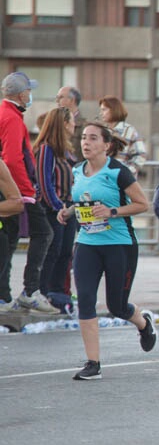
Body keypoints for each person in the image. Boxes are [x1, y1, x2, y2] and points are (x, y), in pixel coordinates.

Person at [57, 123, 155, 380]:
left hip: (119, 245)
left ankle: (143, 324)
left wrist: (113, 212)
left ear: (106, 145)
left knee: (116, 306)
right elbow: (82, 202)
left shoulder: (118, 172)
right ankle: (93, 363)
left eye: (92, 139)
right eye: (84, 139)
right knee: (86, 300)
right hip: (88, 244)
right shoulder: (78, 170)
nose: (85, 143)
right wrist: (68, 211)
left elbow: (142, 204)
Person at [0, 72, 57, 313]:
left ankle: (4, 296)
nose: (30, 95)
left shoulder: (5, 113)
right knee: (43, 233)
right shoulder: (12, 118)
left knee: (9, 240)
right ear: (22, 94)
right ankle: (30, 290)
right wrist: (25, 192)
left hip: (7, 188)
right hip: (15, 189)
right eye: (29, 91)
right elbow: (13, 159)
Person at [33, 107, 77, 310]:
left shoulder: (65, 151)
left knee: (66, 251)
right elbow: (44, 182)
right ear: (63, 124)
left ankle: (58, 292)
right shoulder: (46, 149)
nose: (74, 125)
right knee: (53, 250)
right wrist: (58, 206)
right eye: (71, 121)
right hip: (52, 209)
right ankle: (43, 291)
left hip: (68, 208)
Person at [97, 96, 146, 176]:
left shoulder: (129, 130)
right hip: (102, 178)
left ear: (114, 110)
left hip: (121, 181)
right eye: (101, 110)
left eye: (104, 110)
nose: (101, 113)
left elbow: (141, 155)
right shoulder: (101, 130)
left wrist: (126, 171)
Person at [56, 85, 85, 161]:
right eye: (57, 97)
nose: (57, 101)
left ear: (72, 100)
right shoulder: (54, 122)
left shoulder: (84, 127)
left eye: (61, 97)